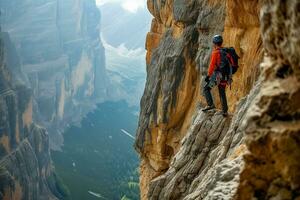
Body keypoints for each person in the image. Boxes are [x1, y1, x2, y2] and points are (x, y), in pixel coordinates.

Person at [202, 35, 229, 117]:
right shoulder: (225, 51)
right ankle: (225, 111)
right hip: (225, 76)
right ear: (221, 43)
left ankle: (210, 105)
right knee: (222, 92)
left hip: (217, 76)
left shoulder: (216, 52)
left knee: (206, 88)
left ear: (214, 43)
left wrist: (208, 76)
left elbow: (212, 65)